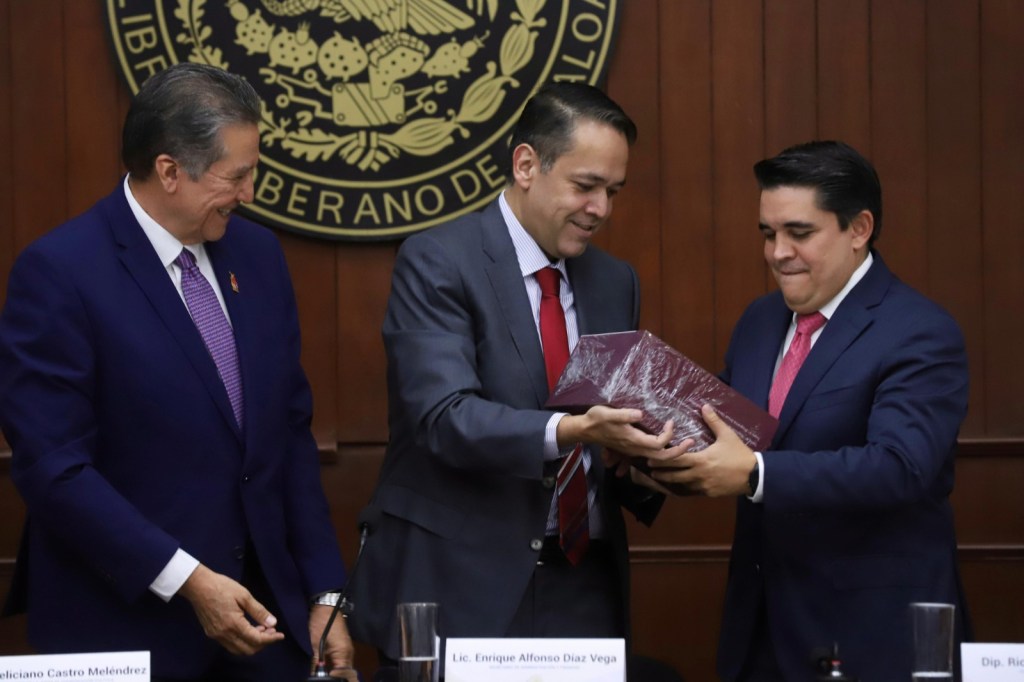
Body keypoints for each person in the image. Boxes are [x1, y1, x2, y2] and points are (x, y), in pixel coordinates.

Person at [0, 63, 353, 681]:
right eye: (236, 176)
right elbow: (54, 468)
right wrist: (189, 579)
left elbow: (288, 436)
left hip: (265, 629)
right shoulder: (60, 273)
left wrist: (325, 594)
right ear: (169, 171)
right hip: (125, 628)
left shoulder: (258, 255)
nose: (250, 193)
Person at [347, 83, 680, 664]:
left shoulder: (614, 281)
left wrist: (649, 462)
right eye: (585, 186)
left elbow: (610, 439)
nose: (601, 209)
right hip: (463, 583)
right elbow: (443, 418)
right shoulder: (438, 260)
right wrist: (575, 431)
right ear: (526, 165)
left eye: (612, 191)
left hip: (584, 584)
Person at [645, 141, 971, 681]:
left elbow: (900, 467)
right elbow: (722, 430)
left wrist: (756, 474)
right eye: (768, 233)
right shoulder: (760, 320)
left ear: (859, 229)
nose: (778, 253)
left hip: (869, 640)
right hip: (759, 635)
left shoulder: (920, 331)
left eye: (799, 233)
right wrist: (645, 450)